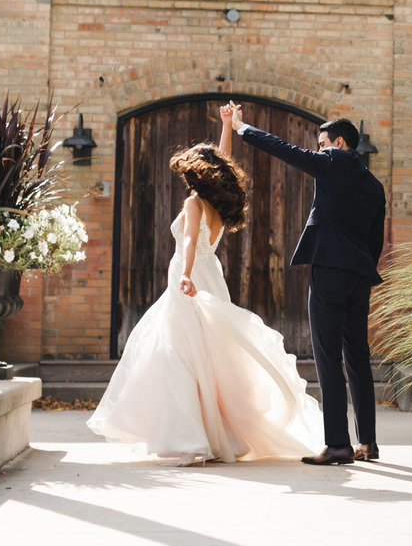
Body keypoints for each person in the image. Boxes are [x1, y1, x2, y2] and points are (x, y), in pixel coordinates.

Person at [88, 104, 322, 466]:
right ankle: (208, 436)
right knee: (209, 358)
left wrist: (184, 274)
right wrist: (227, 125)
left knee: (182, 356)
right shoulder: (214, 203)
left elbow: (188, 241)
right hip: (210, 277)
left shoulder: (195, 203)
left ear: (194, 175)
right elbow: (224, 160)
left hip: (191, 278)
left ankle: (192, 441)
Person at [231, 104, 386, 466]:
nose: (317, 150)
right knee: (358, 357)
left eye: (322, 144)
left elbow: (284, 150)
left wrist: (241, 128)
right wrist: (362, 271)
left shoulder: (332, 161)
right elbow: (375, 241)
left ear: (340, 143)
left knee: (328, 358)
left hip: (330, 271)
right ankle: (368, 443)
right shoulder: (375, 186)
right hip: (359, 276)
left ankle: (337, 445)